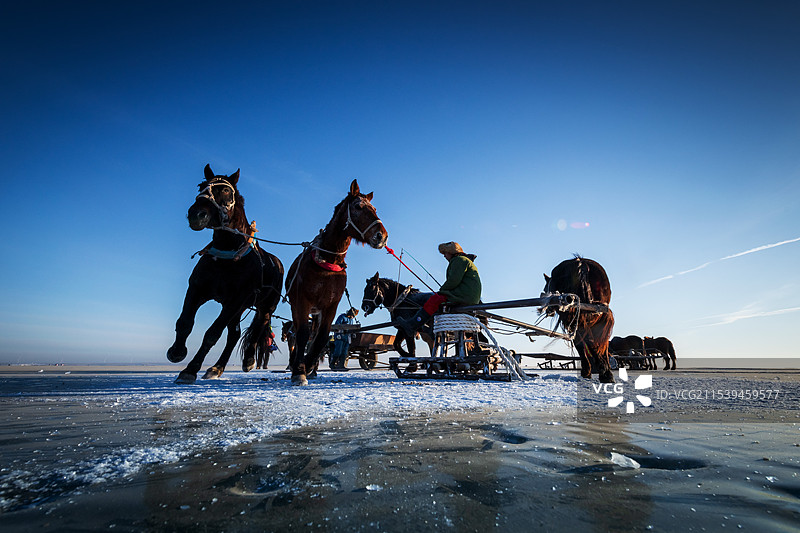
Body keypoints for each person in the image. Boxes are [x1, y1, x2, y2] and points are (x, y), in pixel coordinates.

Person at [395, 241, 481, 337]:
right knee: (437, 300)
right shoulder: (464, 260)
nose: (444, 256)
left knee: (434, 299)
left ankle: (412, 325)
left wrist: (441, 291)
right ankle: (430, 327)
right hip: (468, 296)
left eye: (445, 253)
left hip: (464, 296)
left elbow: (453, 281)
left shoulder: (459, 260)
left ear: (451, 252)